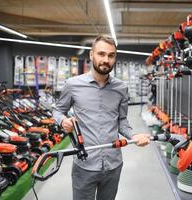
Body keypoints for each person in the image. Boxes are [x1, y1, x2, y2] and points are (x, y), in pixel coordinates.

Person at [53, 34, 151, 200]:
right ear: (92, 55)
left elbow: (122, 121)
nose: (106, 59)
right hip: (84, 165)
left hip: (113, 165)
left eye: (111, 55)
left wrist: (134, 136)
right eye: (101, 54)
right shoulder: (73, 85)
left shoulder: (121, 88)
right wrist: (63, 120)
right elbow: (57, 110)